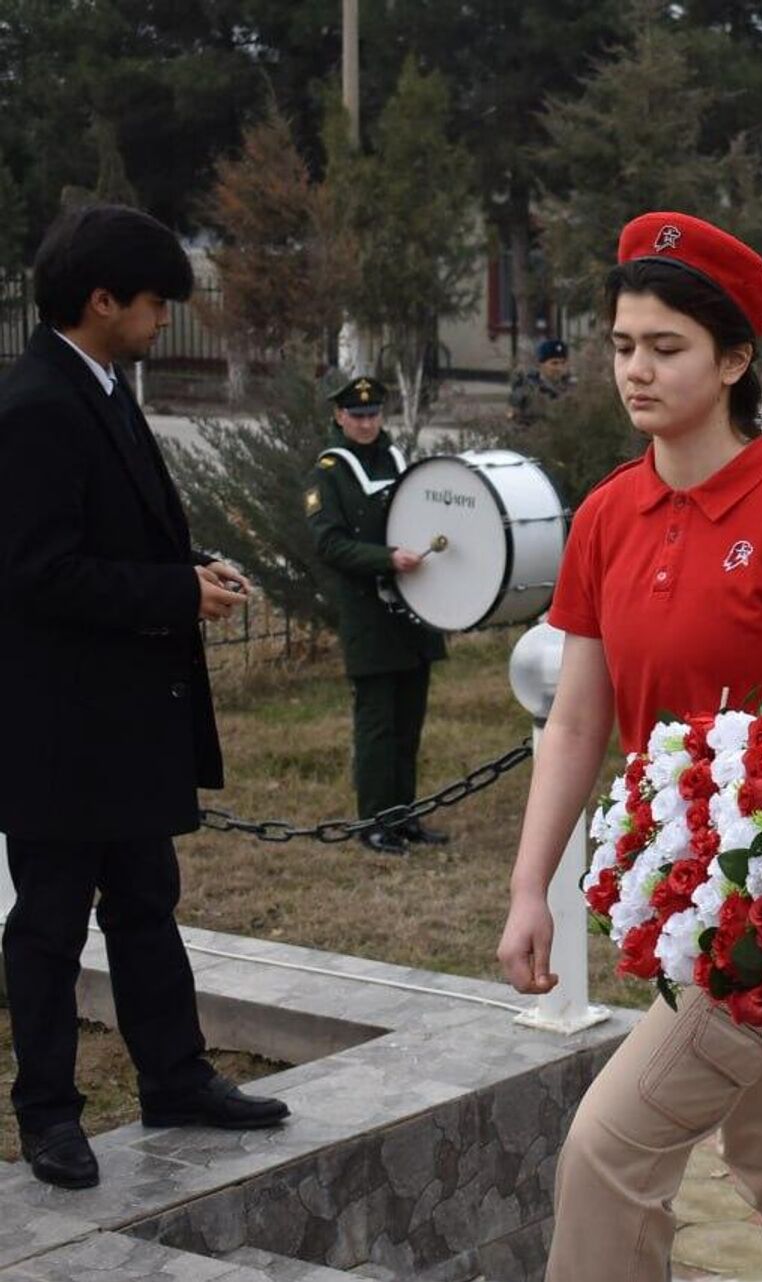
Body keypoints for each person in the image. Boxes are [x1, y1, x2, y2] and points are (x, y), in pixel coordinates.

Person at [495, 211, 762, 1281]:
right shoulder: (608, 514)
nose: (637, 369)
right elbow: (578, 719)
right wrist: (533, 884)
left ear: (733, 359)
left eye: (666, 347)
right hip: (668, 895)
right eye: (624, 344)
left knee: (608, 1152)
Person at [0, 205, 289, 1191]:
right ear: (103, 299)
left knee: (145, 905)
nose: (166, 320)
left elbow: (111, 534)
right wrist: (174, 592)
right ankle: (47, 1112)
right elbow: (38, 571)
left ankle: (174, 1076)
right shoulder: (37, 404)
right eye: (157, 301)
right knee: (47, 924)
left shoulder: (107, 388)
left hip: (125, 719)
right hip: (57, 727)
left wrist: (187, 564)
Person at [306, 375, 449, 855]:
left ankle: (404, 816)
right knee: (377, 724)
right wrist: (386, 559)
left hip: (413, 608)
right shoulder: (330, 471)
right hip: (369, 614)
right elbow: (329, 543)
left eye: (373, 414)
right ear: (339, 417)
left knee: (409, 720)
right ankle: (373, 821)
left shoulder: (398, 459)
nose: (367, 423)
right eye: (357, 415)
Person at [508, 337, 575, 425]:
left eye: (563, 362)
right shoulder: (526, 389)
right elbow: (514, 418)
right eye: (554, 363)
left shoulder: (570, 387)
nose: (560, 367)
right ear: (541, 365)